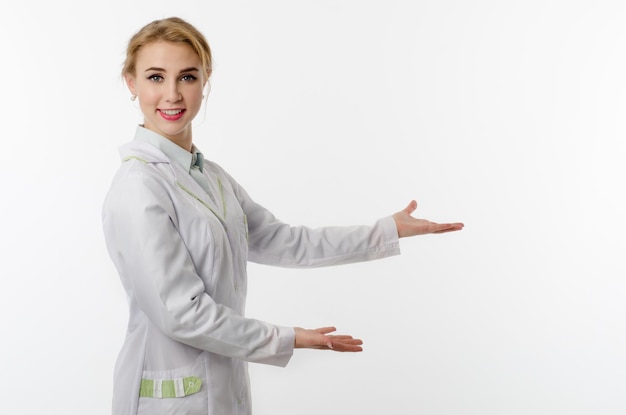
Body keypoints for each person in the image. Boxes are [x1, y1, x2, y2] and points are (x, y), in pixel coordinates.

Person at [102, 16, 464, 415]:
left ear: (204, 81)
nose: (172, 94)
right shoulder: (139, 186)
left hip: (222, 386)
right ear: (131, 83)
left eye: (187, 77)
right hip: (168, 396)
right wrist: (291, 338)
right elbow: (182, 314)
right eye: (156, 77)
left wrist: (386, 229)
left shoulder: (210, 177)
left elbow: (282, 240)